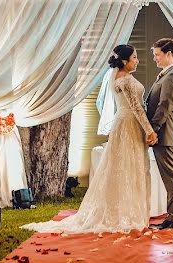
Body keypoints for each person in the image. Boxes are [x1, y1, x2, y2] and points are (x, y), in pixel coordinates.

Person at [23, 45, 157, 234]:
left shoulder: (120, 77)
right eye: (134, 57)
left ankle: (126, 209)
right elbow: (136, 108)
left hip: (126, 123)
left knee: (124, 166)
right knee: (129, 165)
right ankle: (127, 213)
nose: (137, 60)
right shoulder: (125, 80)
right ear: (124, 61)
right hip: (129, 123)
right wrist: (150, 131)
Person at [146, 38, 173, 229]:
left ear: (169, 54)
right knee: (170, 178)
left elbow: (165, 106)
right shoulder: (168, 74)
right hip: (164, 134)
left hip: (165, 134)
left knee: (172, 178)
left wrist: (152, 129)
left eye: (157, 55)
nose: (155, 59)